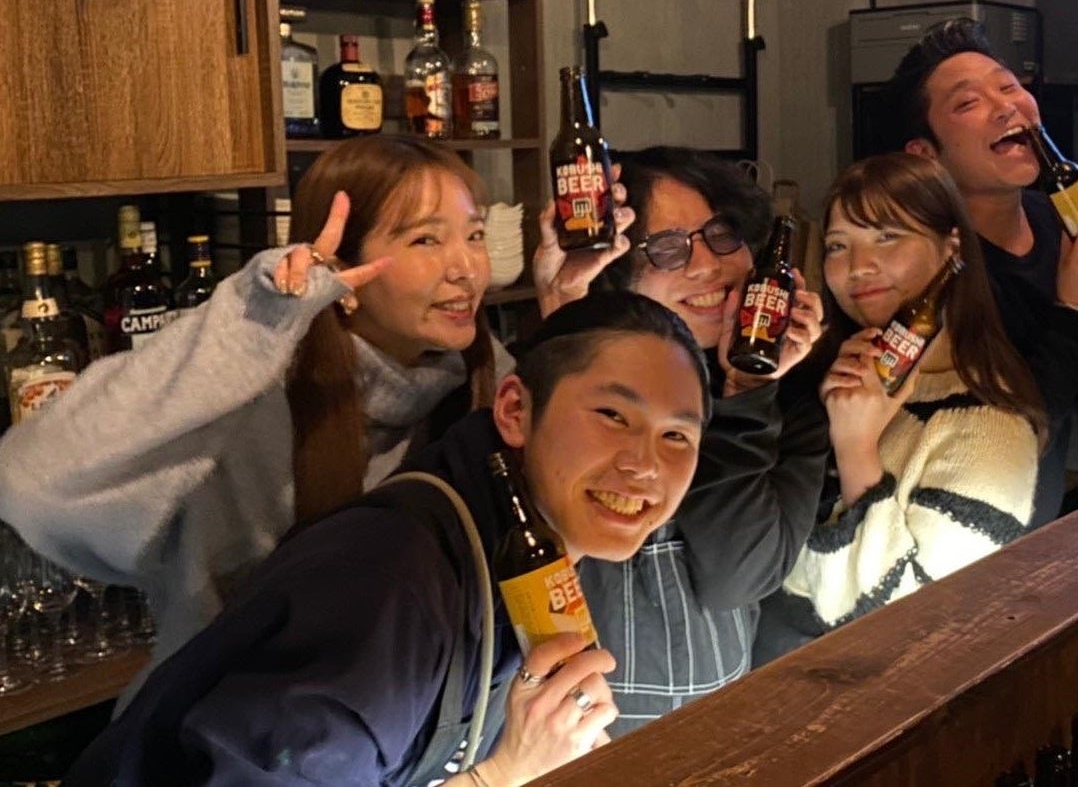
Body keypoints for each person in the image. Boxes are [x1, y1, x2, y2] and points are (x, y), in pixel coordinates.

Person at [61, 292, 713, 787]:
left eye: (676, 436)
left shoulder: (522, 547)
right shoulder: (393, 582)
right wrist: (502, 774)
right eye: (613, 416)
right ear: (515, 410)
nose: (645, 466)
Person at [0, 135, 512, 688]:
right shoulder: (254, 404)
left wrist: (565, 322)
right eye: (426, 239)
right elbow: (32, 478)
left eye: (475, 234)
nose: (467, 268)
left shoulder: (482, 379)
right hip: (229, 725)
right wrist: (254, 319)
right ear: (342, 272)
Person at [534, 145, 829, 735]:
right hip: (568, 736)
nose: (709, 265)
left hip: (719, 735)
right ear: (615, 272)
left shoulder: (795, 403)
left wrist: (748, 391)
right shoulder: (568, 397)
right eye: (668, 248)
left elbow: (737, 577)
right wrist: (561, 311)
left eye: (722, 234)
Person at [753, 153, 1045, 659]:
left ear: (952, 247)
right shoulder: (827, 374)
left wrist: (856, 447)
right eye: (838, 245)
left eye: (887, 237)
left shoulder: (990, 427)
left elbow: (911, 630)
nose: (857, 266)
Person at [876, 18, 1078, 527]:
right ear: (926, 154)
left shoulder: (1058, 221)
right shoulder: (929, 270)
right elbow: (997, 435)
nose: (1007, 107)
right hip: (951, 537)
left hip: (1040, 530)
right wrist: (1073, 307)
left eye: (1008, 87)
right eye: (967, 102)